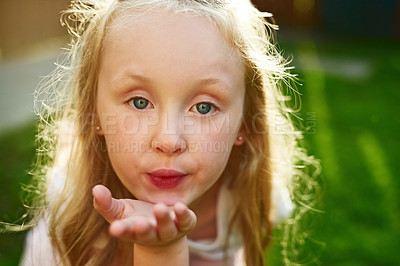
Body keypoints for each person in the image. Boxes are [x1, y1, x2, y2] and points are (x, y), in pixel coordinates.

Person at [15, 0, 319, 265]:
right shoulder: (67, 220)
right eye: (139, 102)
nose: (169, 141)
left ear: (244, 123)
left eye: (203, 107)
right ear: (93, 113)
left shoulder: (253, 201)